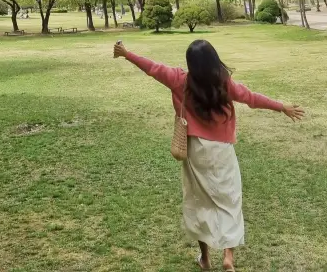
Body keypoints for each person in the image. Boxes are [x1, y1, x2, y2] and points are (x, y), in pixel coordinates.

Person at [113, 40, 304, 272]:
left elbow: (152, 67)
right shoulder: (223, 83)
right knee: (229, 200)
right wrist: (281, 106)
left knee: (198, 201)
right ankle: (228, 258)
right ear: (214, 60)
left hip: (194, 151)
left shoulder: (179, 80)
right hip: (221, 150)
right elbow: (251, 98)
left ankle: (205, 259)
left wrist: (126, 53)